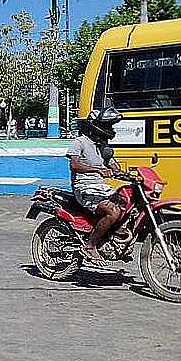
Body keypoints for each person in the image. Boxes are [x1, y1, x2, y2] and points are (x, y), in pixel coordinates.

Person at [66, 107, 124, 264]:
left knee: (126, 203)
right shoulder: (79, 142)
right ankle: (90, 245)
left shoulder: (102, 145)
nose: (109, 130)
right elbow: (75, 165)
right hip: (84, 187)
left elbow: (112, 164)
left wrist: (123, 172)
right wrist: (98, 169)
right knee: (112, 211)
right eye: (107, 126)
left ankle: (112, 237)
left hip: (101, 186)